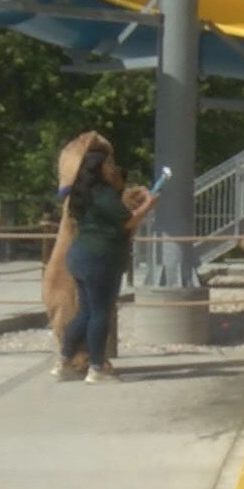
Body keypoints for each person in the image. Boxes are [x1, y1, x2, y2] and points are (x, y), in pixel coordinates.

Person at [50, 144, 157, 383]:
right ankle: (96, 368)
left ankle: (64, 362)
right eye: (109, 164)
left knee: (85, 312)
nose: (113, 168)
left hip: (79, 254)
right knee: (100, 312)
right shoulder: (104, 193)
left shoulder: (80, 192)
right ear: (99, 168)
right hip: (101, 257)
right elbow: (127, 222)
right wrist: (148, 205)